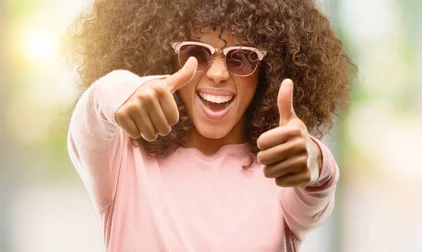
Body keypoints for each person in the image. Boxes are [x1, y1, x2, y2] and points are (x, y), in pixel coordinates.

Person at [65, 0, 355, 251]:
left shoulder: (280, 167)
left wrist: (315, 159)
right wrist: (124, 90)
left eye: (241, 58)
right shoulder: (123, 158)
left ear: (269, 69)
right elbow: (92, 114)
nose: (218, 74)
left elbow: (316, 191)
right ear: (165, 57)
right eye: (196, 53)